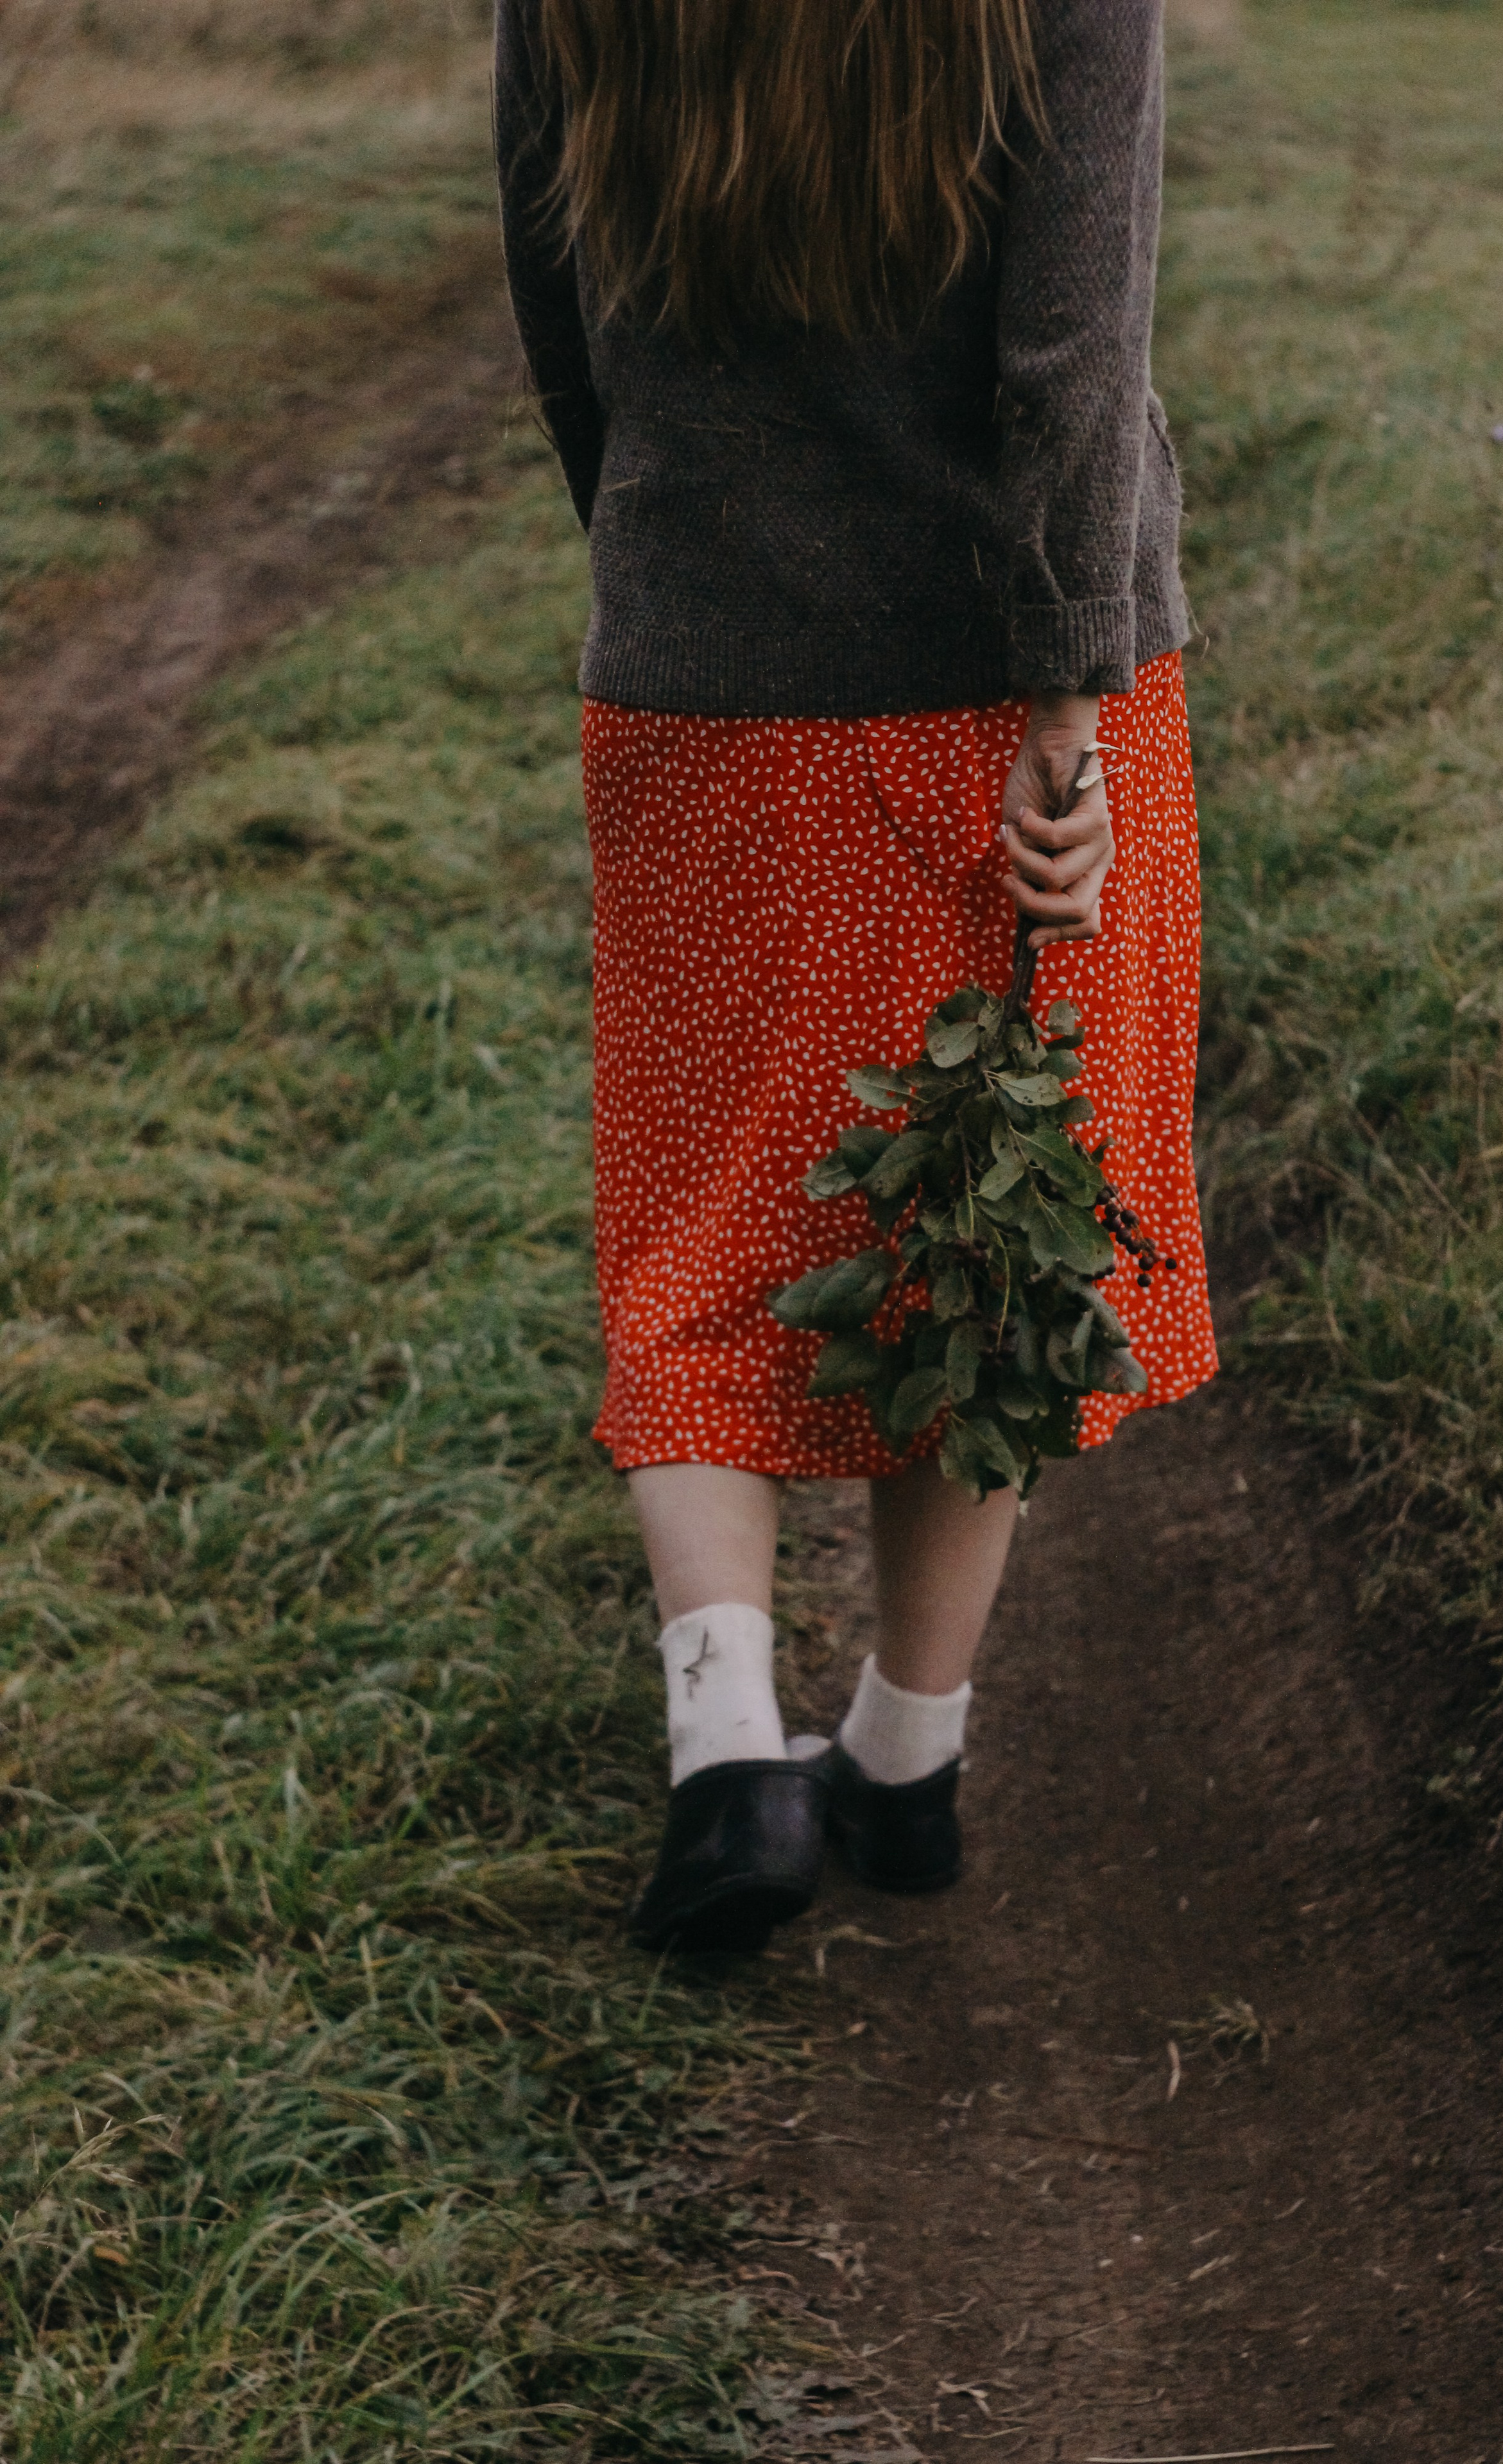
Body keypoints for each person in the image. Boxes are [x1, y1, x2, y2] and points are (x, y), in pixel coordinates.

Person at [494, 0, 1218, 1955]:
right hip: (1006, 681)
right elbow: (1075, 336)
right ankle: (906, 1761)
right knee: (991, 1216)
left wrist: (667, 566)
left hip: (707, 666)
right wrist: (1063, 702)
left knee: (702, 1206)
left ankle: (729, 1751)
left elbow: (554, 296)